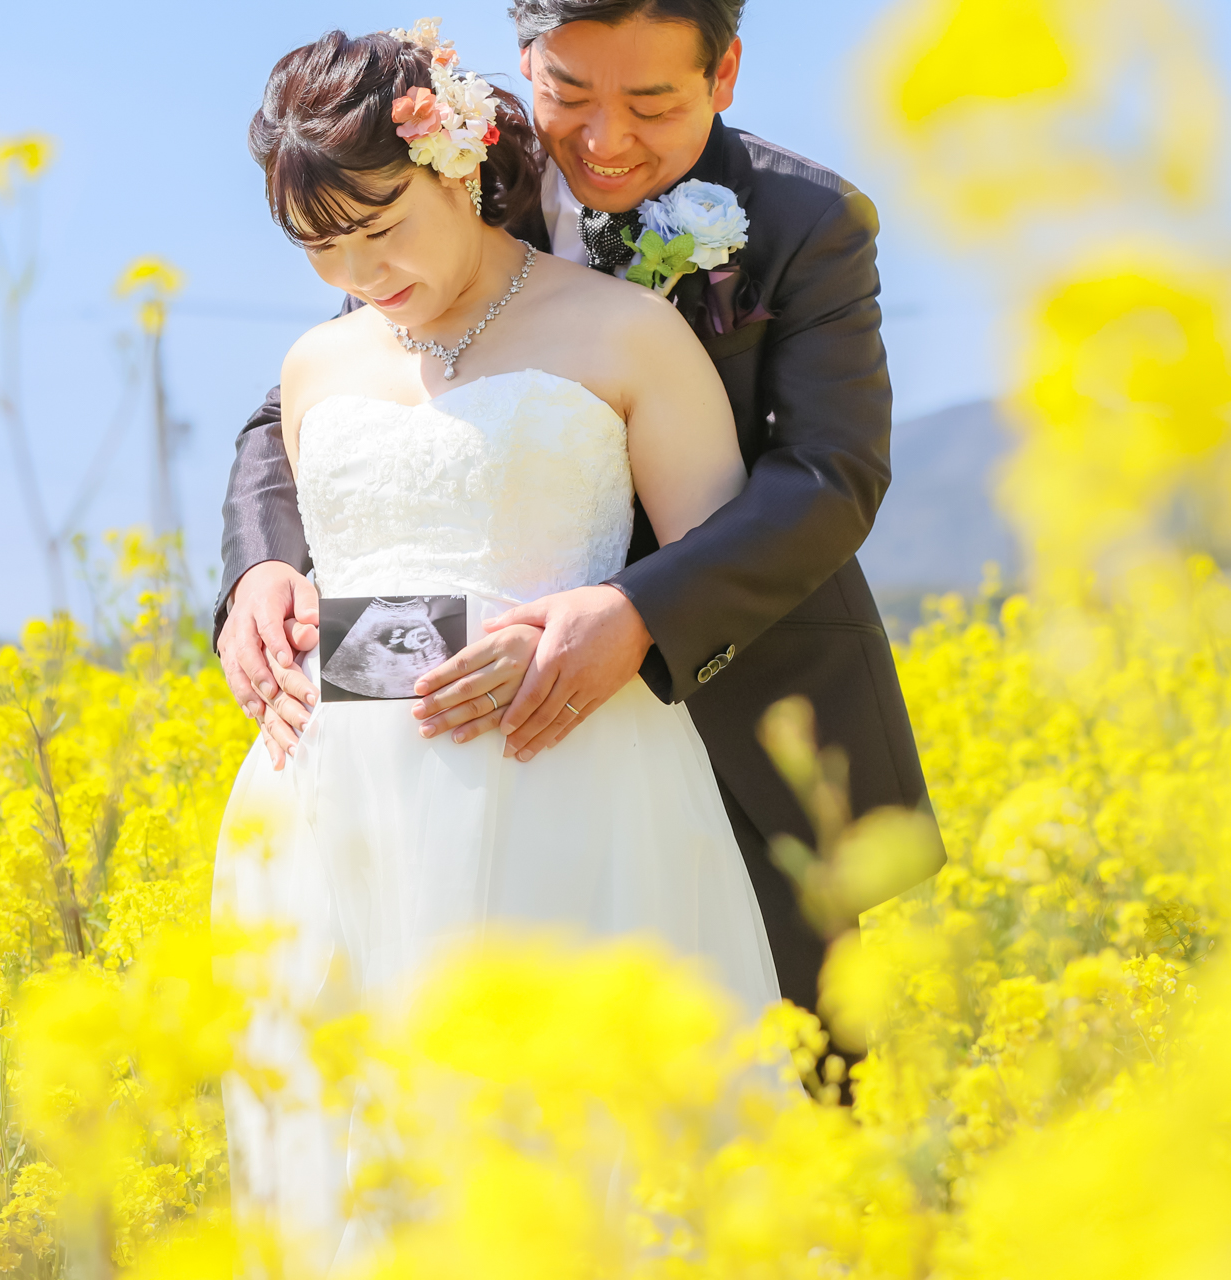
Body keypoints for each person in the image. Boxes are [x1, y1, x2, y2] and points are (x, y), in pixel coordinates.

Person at [216, 0, 941, 1029]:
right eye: (568, 93)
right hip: (416, 752)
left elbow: (832, 473)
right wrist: (260, 568)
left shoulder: (804, 221)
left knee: (771, 1070)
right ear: (524, 64)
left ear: (724, 73)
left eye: (651, 103)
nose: (605, 138)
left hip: (726, 705)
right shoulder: (432, 187)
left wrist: (640, 610)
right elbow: (324, 401)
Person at [214, 24, 781, 1260]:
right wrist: (271, 603)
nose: (358, 271)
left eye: (381, 227)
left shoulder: (624, 331)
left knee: (578, 1153)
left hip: (567, 773)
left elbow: (721, 566)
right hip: (341, 807)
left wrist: (603, 623)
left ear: (458, 164)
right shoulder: (314, 365)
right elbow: (352, 579)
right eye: (320, 246)